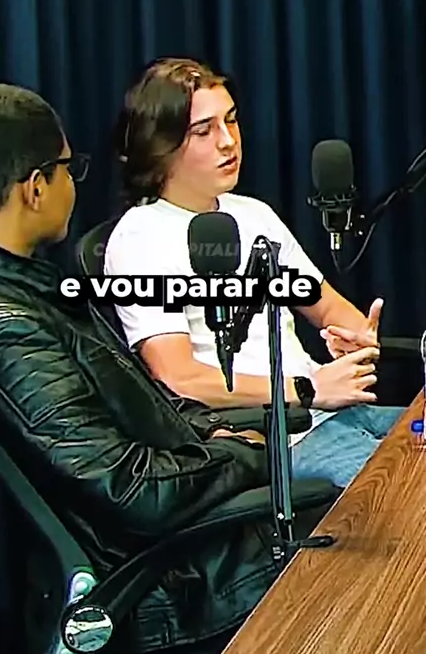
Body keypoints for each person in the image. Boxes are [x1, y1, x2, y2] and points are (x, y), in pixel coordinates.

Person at [0, 80, 319, 654]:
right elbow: (132, 490)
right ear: (36, 188)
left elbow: (147, 404)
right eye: (69, 169)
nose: (75, 183)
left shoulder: (28, 289)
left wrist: (215, 432)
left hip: (201, 537)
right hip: (178, 584)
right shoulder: (3, 322)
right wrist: (247, 455)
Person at [104, 57, 404, 488]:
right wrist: (308, 389)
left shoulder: (253, 214)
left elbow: (330, 309)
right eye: (204, 131)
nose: (229, 142)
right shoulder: (139, 238)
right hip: (274, 438)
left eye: (231, 120)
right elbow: (179, 377)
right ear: (161, 145)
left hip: (334, 409)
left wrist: (355, 339)